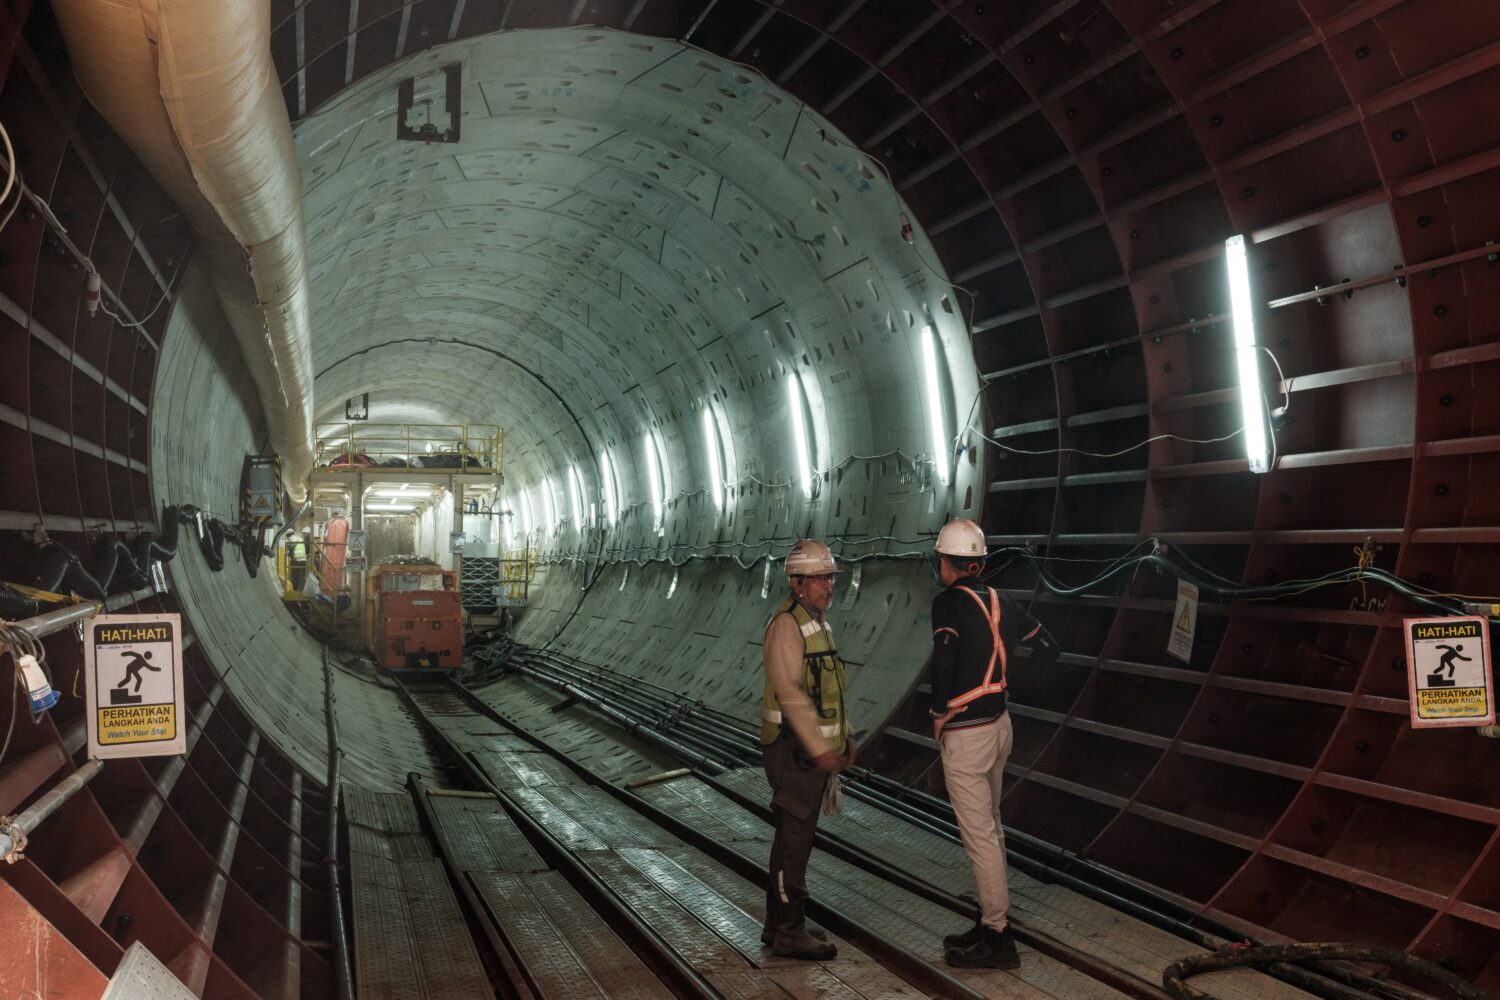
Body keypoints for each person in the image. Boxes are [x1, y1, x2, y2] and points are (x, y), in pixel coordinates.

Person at [927, 518, 1059, 969]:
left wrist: (938, 710)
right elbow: (1049, 647)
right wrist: (1005, 685)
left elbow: (943, 657)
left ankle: (998, 938)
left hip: (967, 733)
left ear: (948, 563)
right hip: (1001, 726)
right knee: (993, 829)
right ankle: (989, 921)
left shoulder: (947, 604)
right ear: (977, 563)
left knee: (979, 837)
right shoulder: (1004, 602)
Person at [759, 538, 853, 960]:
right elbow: (792, 694)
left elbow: (830, 688)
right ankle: (789, 929)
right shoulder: (787, 625)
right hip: (792, 750)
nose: (828, 586)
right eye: (818, 579)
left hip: (807, 750)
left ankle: (777, 925)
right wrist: (819, 748)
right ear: (796, 583)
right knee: (794, 840)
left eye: (830, 577)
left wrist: (842, 738)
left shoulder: (818, 623)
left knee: (795, 837)